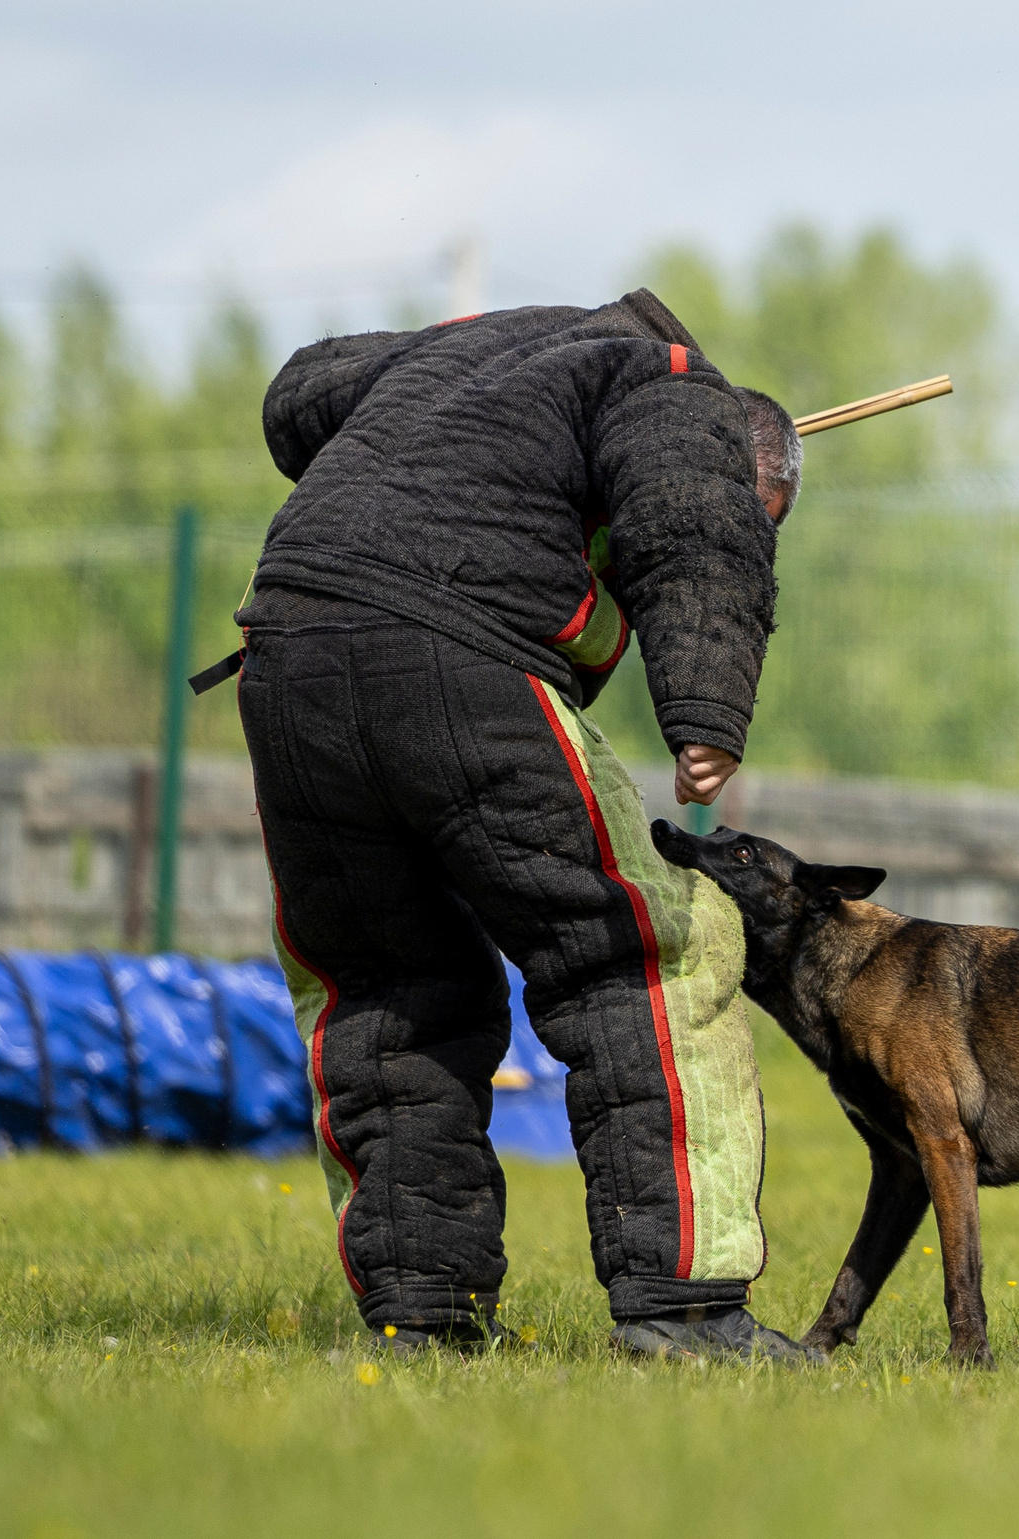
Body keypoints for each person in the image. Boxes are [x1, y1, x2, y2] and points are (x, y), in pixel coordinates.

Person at [231, 289, 816, 1362]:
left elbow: (296, 399)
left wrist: (440, 372)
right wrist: (705, 710)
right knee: (650, 954)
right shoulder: (671, 382)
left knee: (386, 995)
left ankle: (420, 1316)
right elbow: (695, 525)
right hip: (457, 661)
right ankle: (684, 1313)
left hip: (287, 662)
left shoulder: (480, 352)